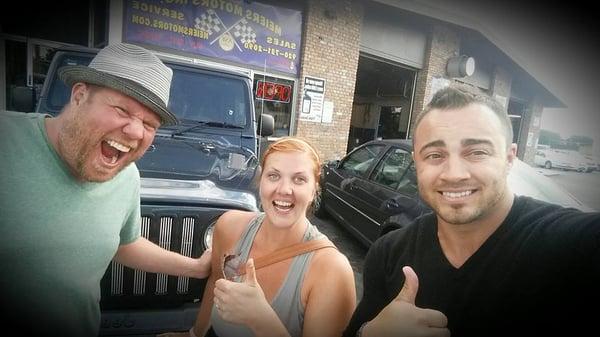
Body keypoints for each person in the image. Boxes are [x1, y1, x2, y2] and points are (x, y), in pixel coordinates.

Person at [344, 86, 600, 337]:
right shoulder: (388, 254)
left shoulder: (573, 246)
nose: (454, 174)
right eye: (434, 155)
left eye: (477, 152)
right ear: (416, 162)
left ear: (510, 158)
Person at [0, 43, 212, 337]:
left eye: (150, 124)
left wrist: (196, 268)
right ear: (79, 95)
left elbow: (122, 244)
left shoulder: (126, 175)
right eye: (121, 109)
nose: (136, 132)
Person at [161, 137, 357, 337]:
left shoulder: (332, 270)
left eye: (299, 179)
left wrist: (261, 320)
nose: (283, 190)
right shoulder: (230, 227)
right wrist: (194, 334)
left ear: (314, 191)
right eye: (273, 176)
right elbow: (215, 284)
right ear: (261, 181)